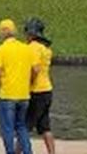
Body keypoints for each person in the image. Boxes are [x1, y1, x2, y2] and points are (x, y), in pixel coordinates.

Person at [0, 19, 34, 154]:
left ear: (1, 33)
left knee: (7, 129)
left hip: (7, 95)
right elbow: (33, 70)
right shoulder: (26, 49)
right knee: (22, 128)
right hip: (24, 95)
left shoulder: (0, 50)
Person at [25, 18, 55, 154]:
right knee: (45, 127)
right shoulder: (46, 49)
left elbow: (35, 69)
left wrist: (28, 84)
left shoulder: (33, 48)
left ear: (31, 33)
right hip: (47, 90)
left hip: (36, 91)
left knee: (24, 127)